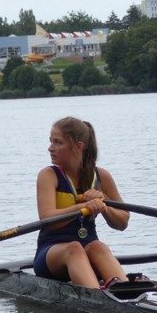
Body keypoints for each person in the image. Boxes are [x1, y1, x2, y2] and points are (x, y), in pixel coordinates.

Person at [33, 117, 130, 289]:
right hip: (52, 254)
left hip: (90, 250)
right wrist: (83, 207)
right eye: (51, 141)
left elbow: (122, 222)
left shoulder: (102, 177)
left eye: (58, 142)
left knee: (99, 247)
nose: (50, 148)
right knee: (75, 248)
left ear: (78, 147)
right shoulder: (48, 175)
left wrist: (104, 204)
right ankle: (97, 297)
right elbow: (47, 219)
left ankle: (127, 291)